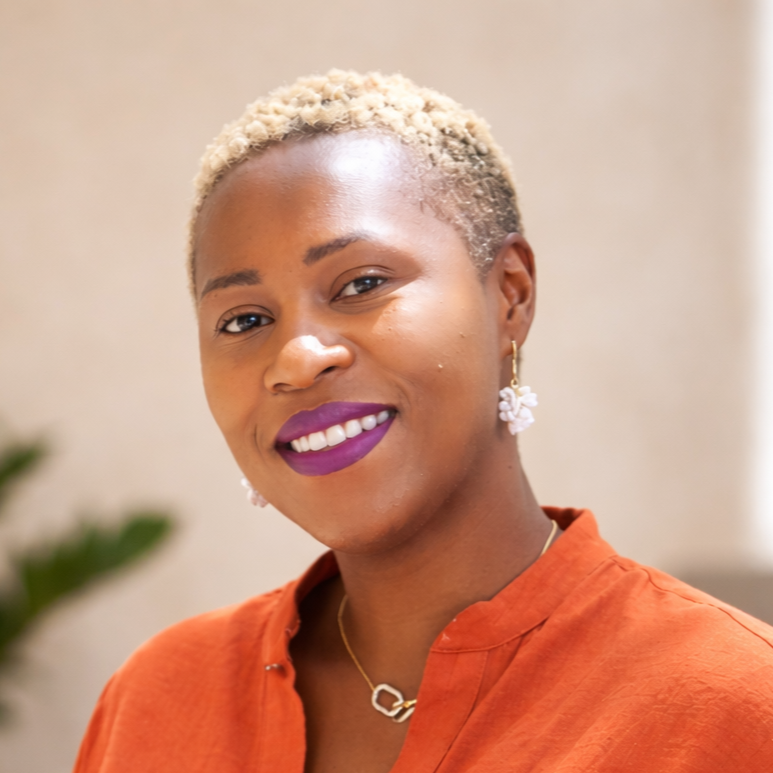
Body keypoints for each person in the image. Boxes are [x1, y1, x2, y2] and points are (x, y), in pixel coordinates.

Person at [73, 70, 773, 773]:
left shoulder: (731, 704)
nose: (296, 358)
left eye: (361, 284)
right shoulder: (157, 696)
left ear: (509, 295)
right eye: (245, 319)